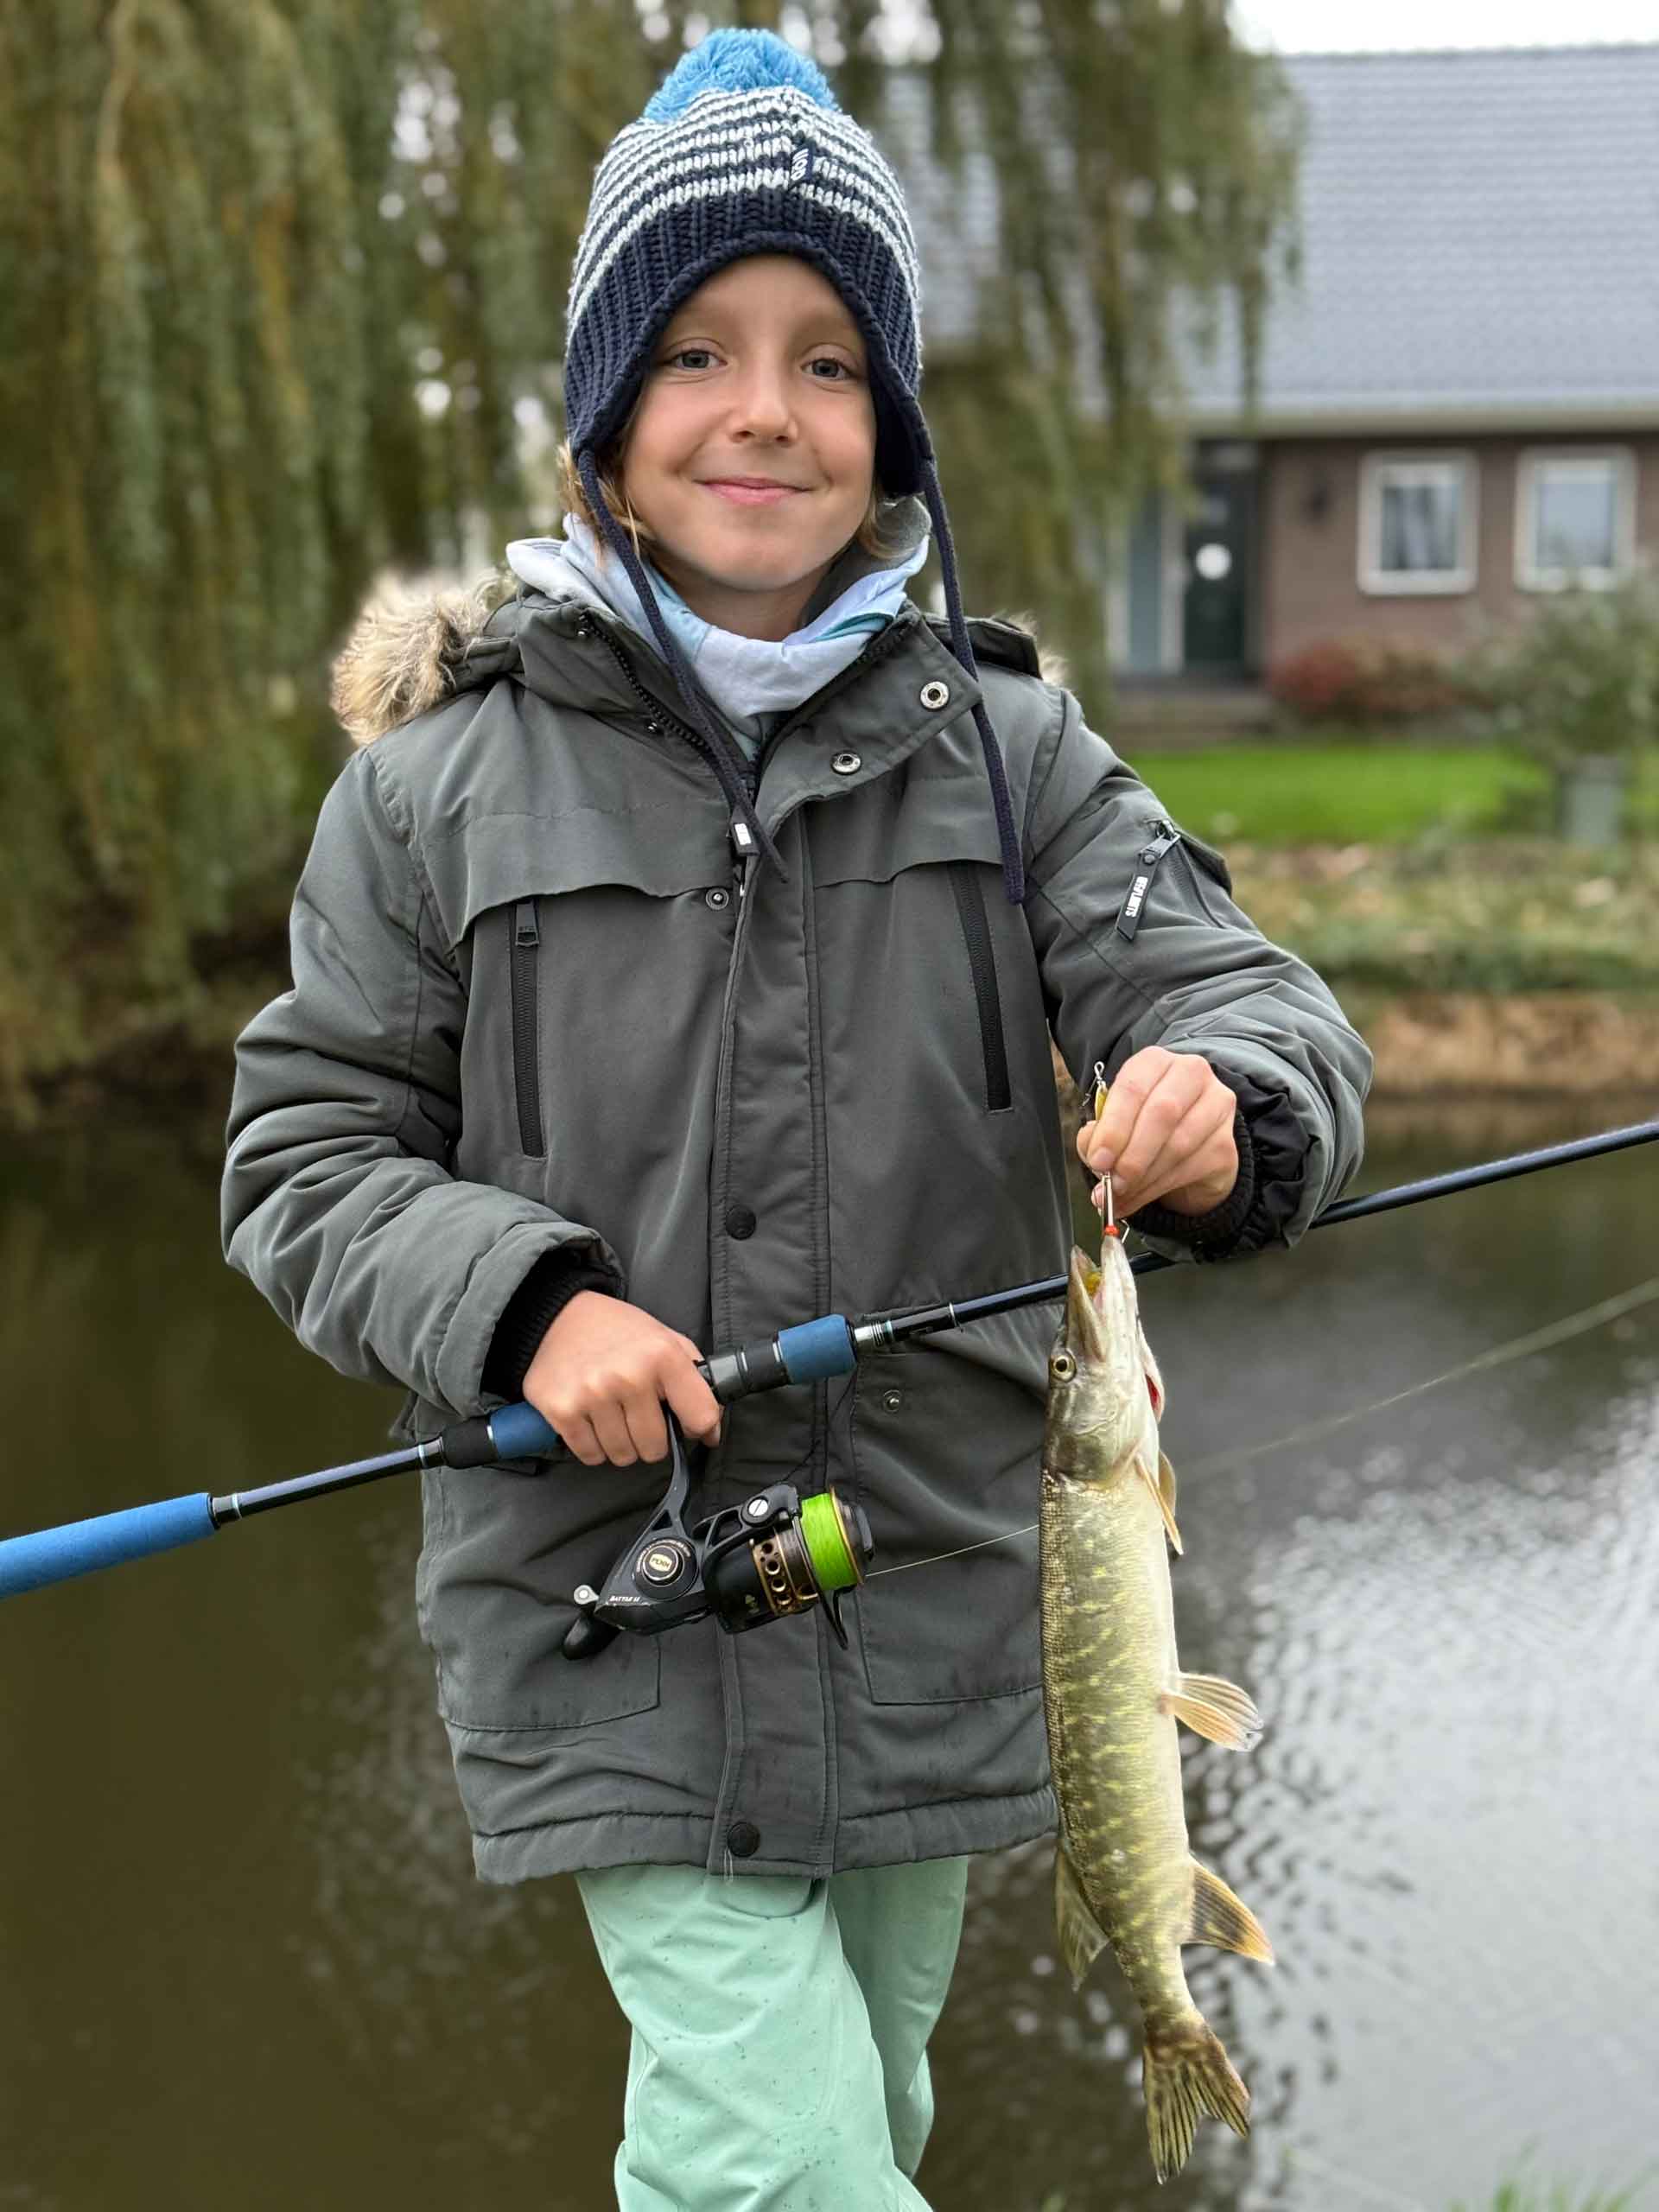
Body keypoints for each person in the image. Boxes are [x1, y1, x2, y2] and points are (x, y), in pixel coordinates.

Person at [221, 28, 1371, 2210]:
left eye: (833, 358)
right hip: (614, 1616)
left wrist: (1228, 1100)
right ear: (606, 425)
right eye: (700, 350)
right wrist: (526, 1304)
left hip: (943, 1600)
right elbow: (304, 1161)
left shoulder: (1016, 755)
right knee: (783, 2160)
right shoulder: (431, 791)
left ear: (893, 422)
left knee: (867, 2112)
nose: (768, 406)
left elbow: (1244, 994)